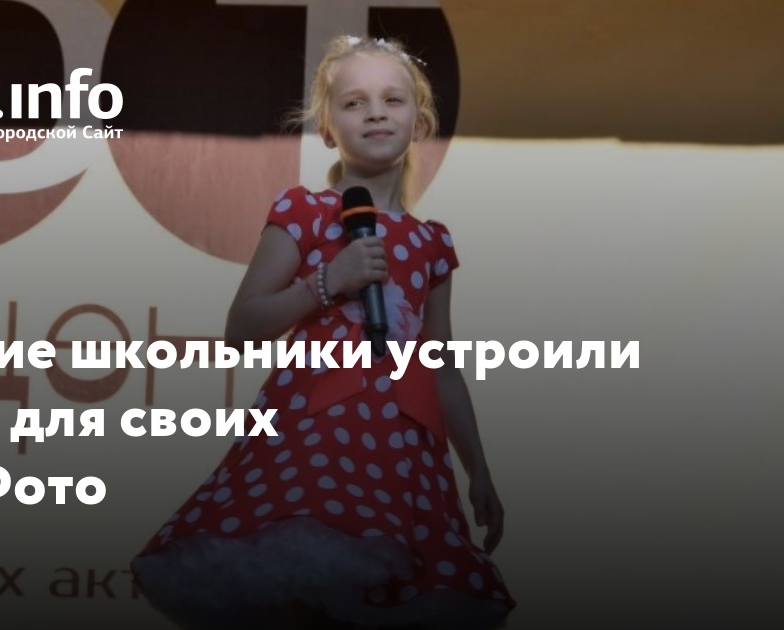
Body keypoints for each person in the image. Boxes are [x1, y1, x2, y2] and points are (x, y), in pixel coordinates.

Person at [130, 35, 516, 629]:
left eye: (392, 100)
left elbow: (440, 364)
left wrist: (478, 467)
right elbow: (242, 328)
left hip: (404, 454)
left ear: (419, 122)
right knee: (303, 586)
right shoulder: (304, 212)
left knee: (384, 597)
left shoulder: (432, 242)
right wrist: (326, 282)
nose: (376, 113)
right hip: (316, 439)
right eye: (354, 103)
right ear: (329, 129)